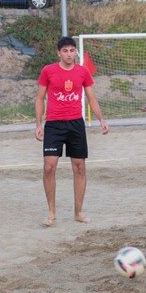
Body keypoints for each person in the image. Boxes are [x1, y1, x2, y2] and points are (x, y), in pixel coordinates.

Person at [35, 36, 109, 227]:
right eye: (65, 50)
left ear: (76, 52)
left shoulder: (83, 72)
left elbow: (91, 98)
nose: (69, 54)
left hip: (76, 124)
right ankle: (51, 212)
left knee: (79, 167)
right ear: (58, 53)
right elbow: (40, 98)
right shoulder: (48, 71)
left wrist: (101, 119)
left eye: (72, 50)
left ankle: (78, 212)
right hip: (53, 125)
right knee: (49, 166)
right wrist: (38, 124)